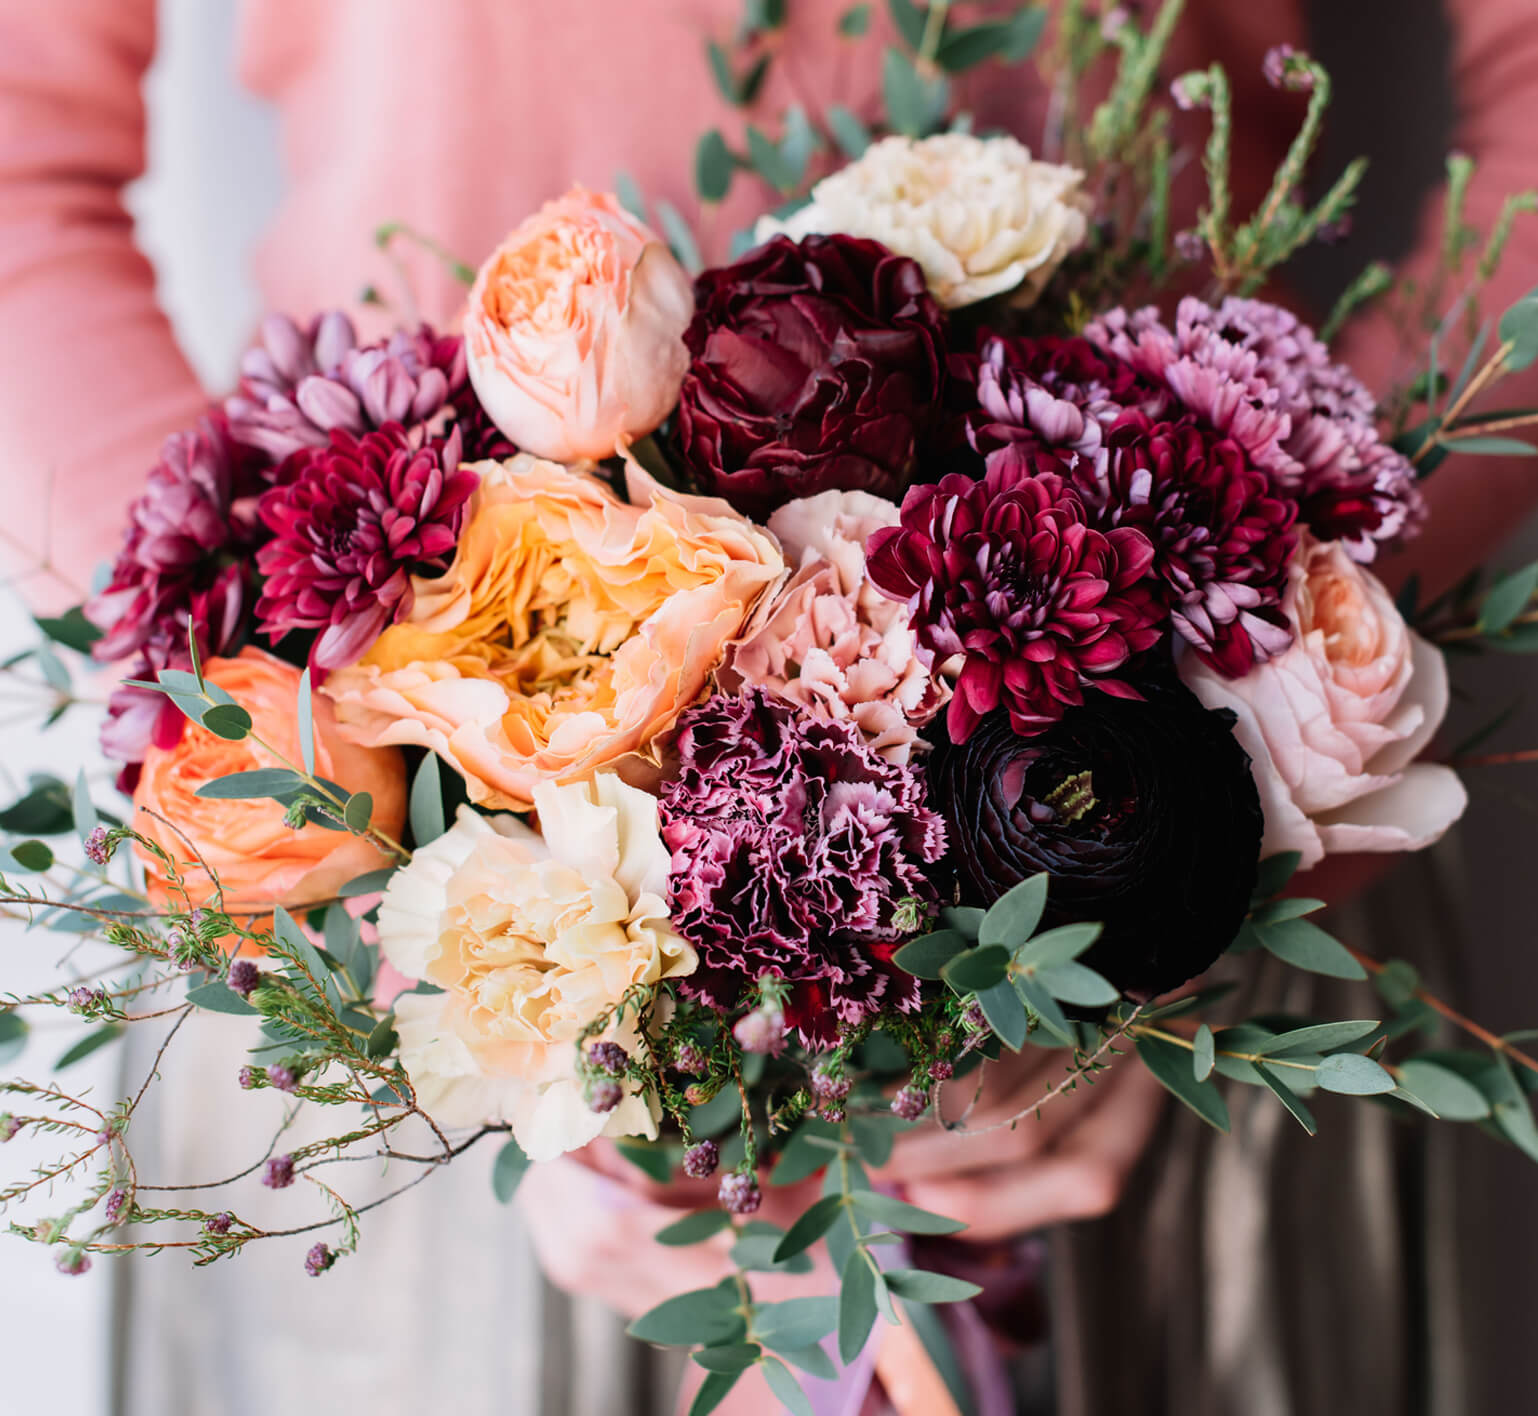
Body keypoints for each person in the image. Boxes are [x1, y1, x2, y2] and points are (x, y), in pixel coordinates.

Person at [2, 2, 1536, 1413]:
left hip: (1179, 839)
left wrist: (1240, 783)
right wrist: (351, 816)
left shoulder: (1215, 807)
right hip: (405, 925)